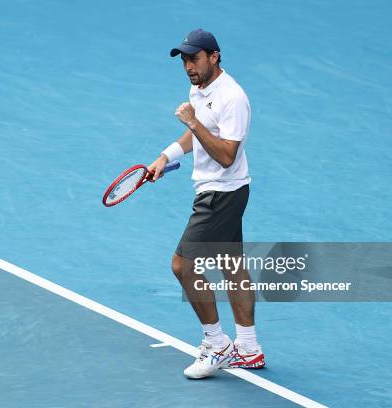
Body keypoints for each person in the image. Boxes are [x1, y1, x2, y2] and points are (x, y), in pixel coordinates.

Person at [148, 28, 265, 379]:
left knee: (182, 266)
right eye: (184, 60)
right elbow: (195, 133)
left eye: (194, 58)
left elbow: (227, 155)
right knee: (232, 266)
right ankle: (249, 348)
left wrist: (194, 122)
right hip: (223, 191)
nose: (188, 66)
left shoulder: (233, 98)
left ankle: (217, 344)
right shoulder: (199, 89)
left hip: (221, 194)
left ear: (214, 56)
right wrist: (164, 157)